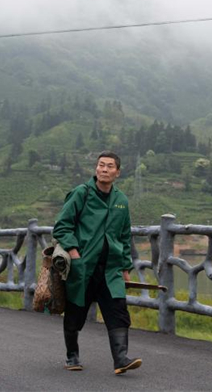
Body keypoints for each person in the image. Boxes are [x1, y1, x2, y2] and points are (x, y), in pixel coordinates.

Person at [52, 151, 142, 375]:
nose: (104, 169)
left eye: (110, 166)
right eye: (101, 165)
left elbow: (124, 236)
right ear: (96, 169)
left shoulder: (121, 200)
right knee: (76, 312)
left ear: (117, 172)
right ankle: (72, 355)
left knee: (118, 310)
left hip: (111, 269)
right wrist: (74, 253)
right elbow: (62, 226)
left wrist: (125, 267)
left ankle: (121, 359)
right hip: (83, 267)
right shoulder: (81, 193)